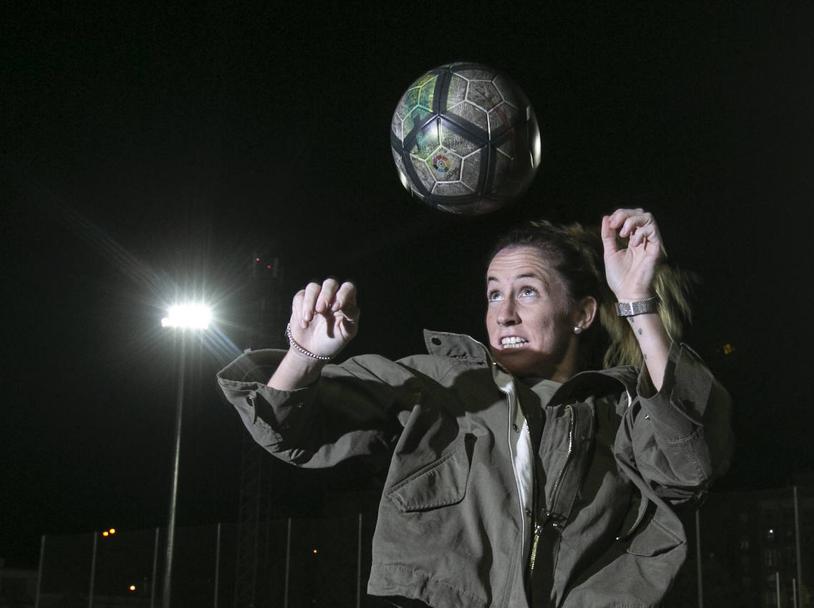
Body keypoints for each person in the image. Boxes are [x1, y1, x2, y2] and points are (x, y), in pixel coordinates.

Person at [217, 208, 733, 608]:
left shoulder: (620, 406)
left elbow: (691, 468)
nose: (504, 312)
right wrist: (305, 355)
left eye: (527, 292)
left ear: (581, 314)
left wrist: (637, 299)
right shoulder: (439, 384)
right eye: (493, 294)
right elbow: (285, 430)